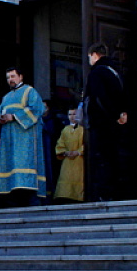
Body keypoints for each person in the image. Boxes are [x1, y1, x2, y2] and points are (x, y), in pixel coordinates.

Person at [0, 67, 47, 206]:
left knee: (26, 164)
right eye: (8, 77)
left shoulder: (29, 91)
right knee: (10, 166)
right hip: (9, 140)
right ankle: (13, 198)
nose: (10, 79)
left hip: (25, 139)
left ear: (20, 77)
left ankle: (31, 198)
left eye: (13, 76)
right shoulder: (6, 97)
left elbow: (37, 109)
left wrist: (14, 116)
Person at [84, 43, 129, 201]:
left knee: (101, 158)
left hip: (101, 123)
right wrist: (122, 114)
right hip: (117, 124)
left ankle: (102, 194)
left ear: (95, 55)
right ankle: (117, 192)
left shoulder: (96, 73)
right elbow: (124, 95)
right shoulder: (116, 72)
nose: (89, 60)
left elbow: (98, 97)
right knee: (114, 157)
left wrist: (113, 114)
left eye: (89, 56)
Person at [55, 108, 86, 202]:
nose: (72, 117)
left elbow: (87, 144)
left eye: (74, 114)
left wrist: (78, 152)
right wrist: (65, 152)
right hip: (67, 160)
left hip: (80, 160)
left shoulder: (83, 129)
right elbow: (60, 144)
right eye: (70, 114)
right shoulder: (65, 130)